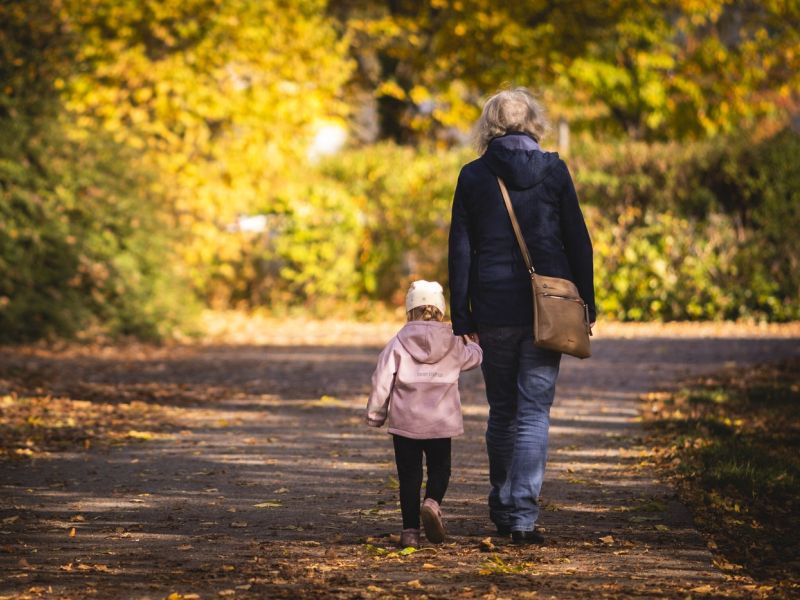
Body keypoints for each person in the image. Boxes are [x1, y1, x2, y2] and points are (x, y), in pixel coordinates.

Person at [448, 88, 596, 545]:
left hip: (492, 307)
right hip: (548, 307)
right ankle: (522, 517)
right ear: (533, 121)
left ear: (489, 125)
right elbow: (578, 239)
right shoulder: (553, 170)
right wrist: (586, 302)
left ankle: (501, 502)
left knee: (503, 411)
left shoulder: (473, 175)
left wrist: (461, 315)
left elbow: (460, 249)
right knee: (534, 412)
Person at [366, 280, 483, 548]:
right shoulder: (453, 341)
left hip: (405, 425)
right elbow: (474, 359)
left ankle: (409, 533)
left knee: (409, 478)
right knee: (441, 470)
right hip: (441, 423)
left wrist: (375, 415)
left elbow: (381, 381)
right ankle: (432, 502)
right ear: (441, 310)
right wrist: (472, 341)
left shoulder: (397, 343)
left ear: (409, 310)